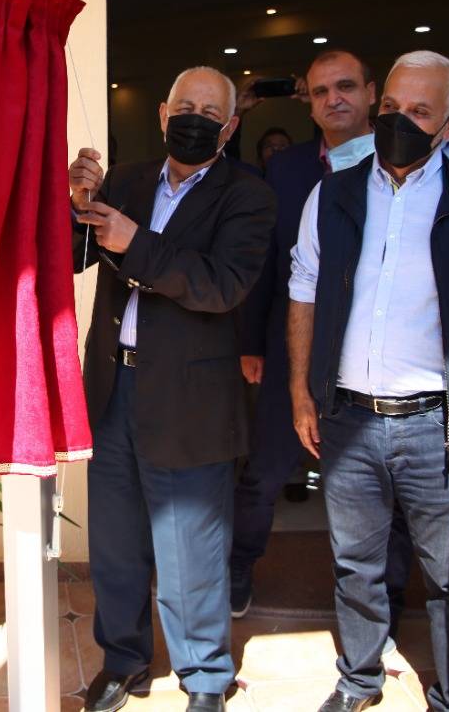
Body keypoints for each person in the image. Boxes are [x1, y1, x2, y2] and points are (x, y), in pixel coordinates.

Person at [287, 50, 449, 712]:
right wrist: (302, 391)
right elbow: (303, 291)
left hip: (439, 424)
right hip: (348, 418)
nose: (399, 121)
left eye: (419, 111)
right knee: (355, 563)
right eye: (391, 106)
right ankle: (359, 678)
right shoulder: (332, 193)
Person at [70, 66, 275, 712]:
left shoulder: (248, 195)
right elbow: (72, 254)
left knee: (192, 551)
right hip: (113, 390)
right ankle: (124, 661)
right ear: (162, 113)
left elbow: (220, 285)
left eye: (210, 112)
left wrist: (136, 242)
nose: (194, 119)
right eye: (184, 106)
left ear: (230, 127)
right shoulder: (127, 181)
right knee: (115, 545)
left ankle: (205, 676)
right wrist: (74, 204)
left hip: (192, 404)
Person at [230, 49, 375, 618]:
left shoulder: (398, 162)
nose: (334, 100)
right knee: (265, 469)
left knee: (368, 484)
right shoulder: (288, 168)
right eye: (319, 92)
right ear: (307, 105)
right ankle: (240, 566)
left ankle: (375, 598)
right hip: (289, 343)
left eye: (346, 87)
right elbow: (268, 259)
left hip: (369, 352)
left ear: (371, 94)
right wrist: (251, 342)